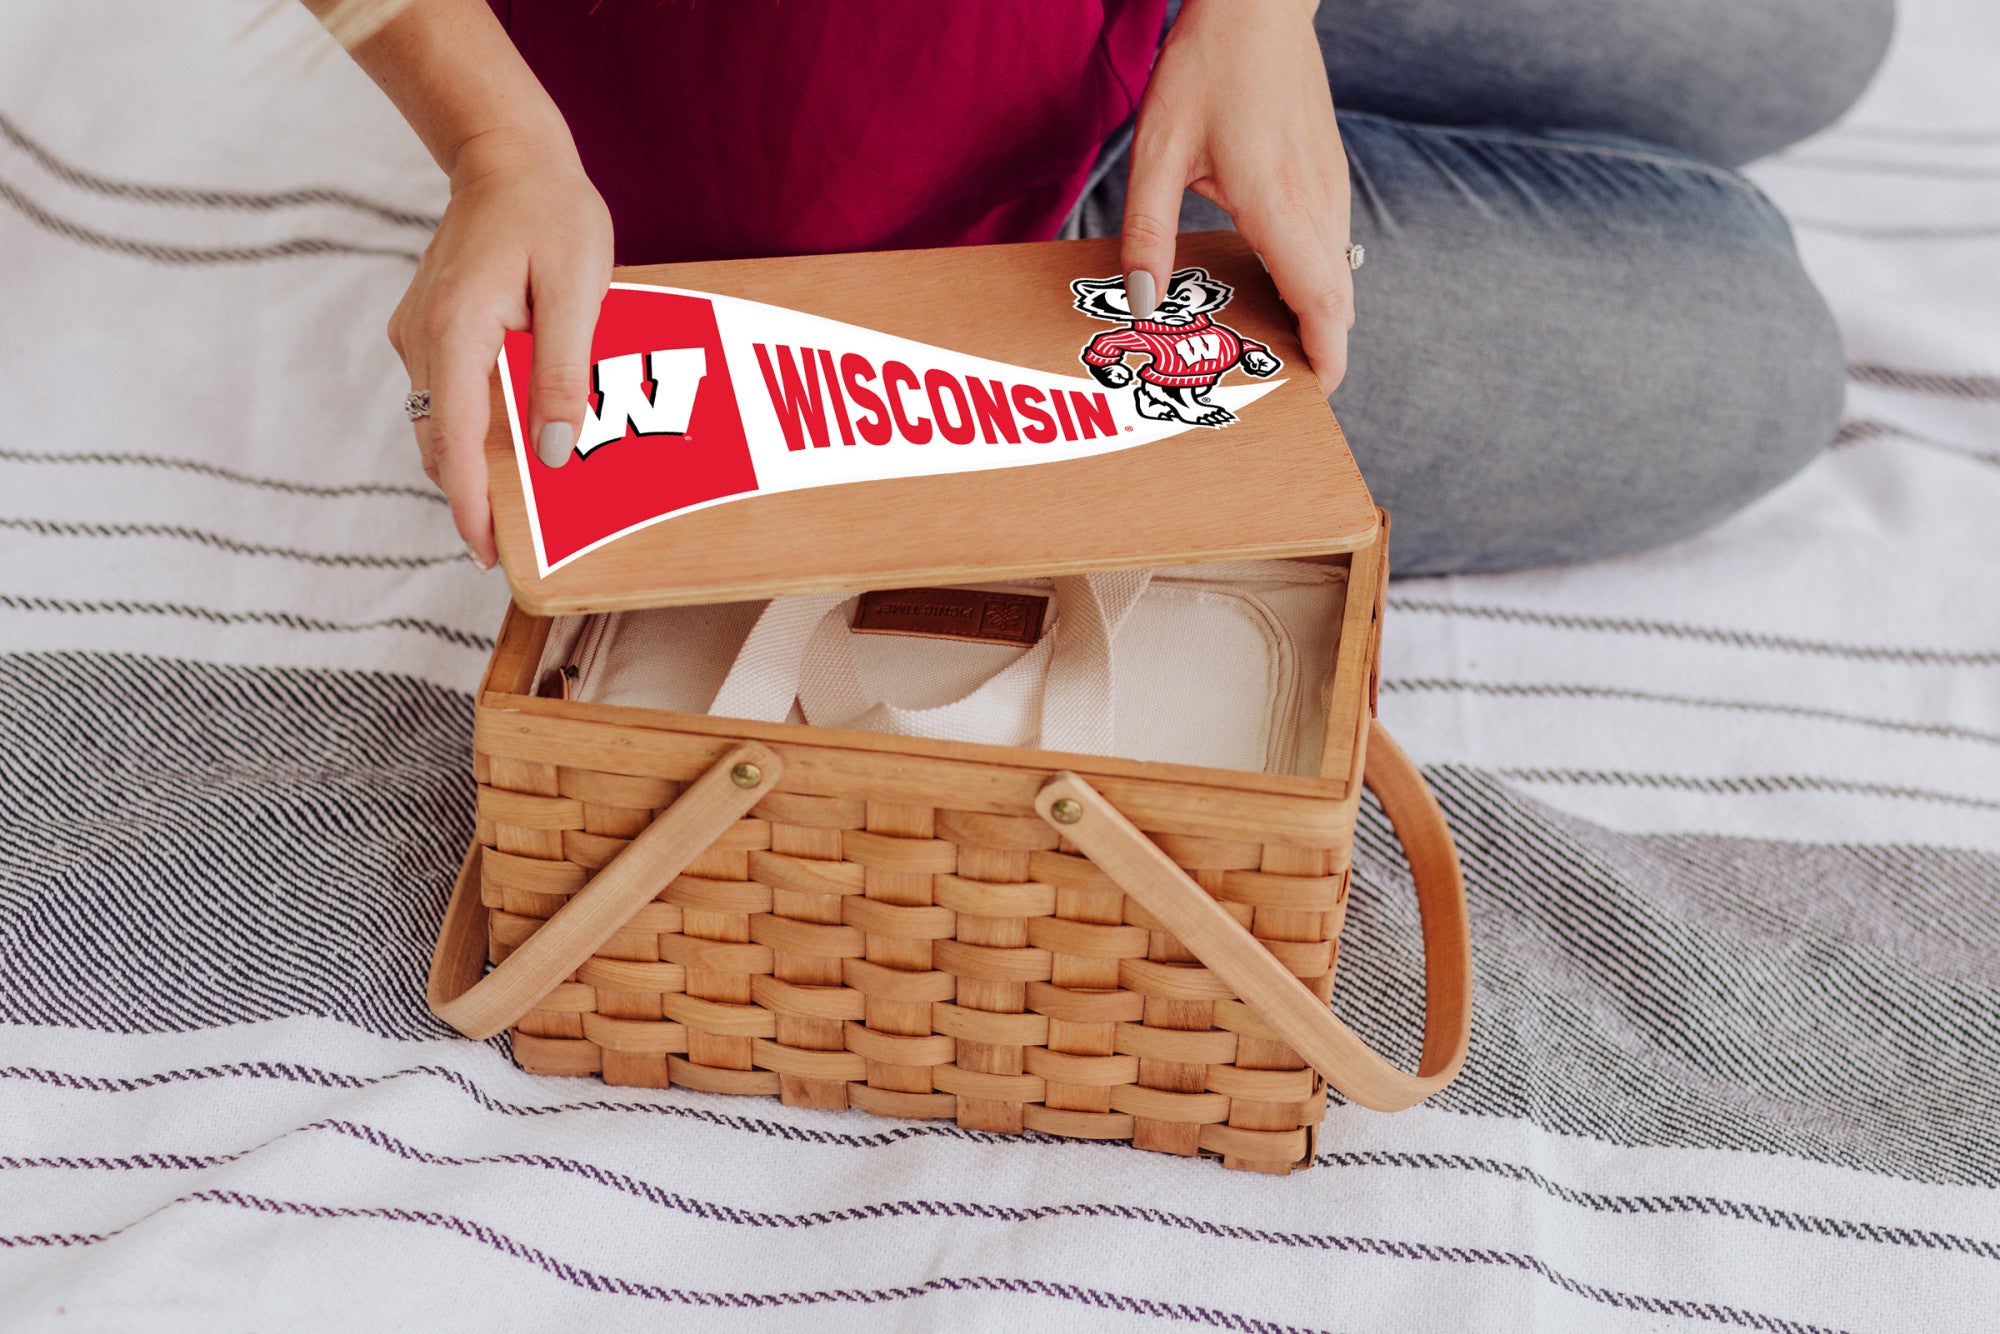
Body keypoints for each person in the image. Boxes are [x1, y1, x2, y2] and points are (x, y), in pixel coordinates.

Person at [312, 0, 1892, 576]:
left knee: (1819, 24)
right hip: (876, 206)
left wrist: (1261, 16)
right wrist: (497, 134)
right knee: (1759, 347)